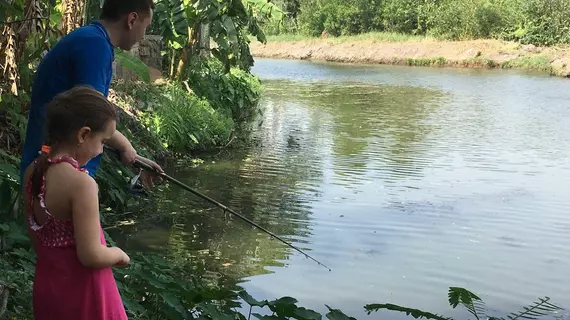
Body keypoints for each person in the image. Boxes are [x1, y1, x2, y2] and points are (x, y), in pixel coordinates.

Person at [20, 0, 162, 187]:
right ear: (132, 20)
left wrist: (134, 157)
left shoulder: (91, 39)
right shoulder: (95, 46)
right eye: (146, 27)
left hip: (48, 167)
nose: (143, 36)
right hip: (58, 172)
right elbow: (91, 115)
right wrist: (126, 147)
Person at [23, 86, 130, 319]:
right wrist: (119, 254)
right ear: (83, 135)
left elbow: (35, 236)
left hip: (49, 289)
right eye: (102, 141)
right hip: (85, 296)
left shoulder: (33, 172)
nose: (101, 150)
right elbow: (91, 255)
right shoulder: (82, 184)